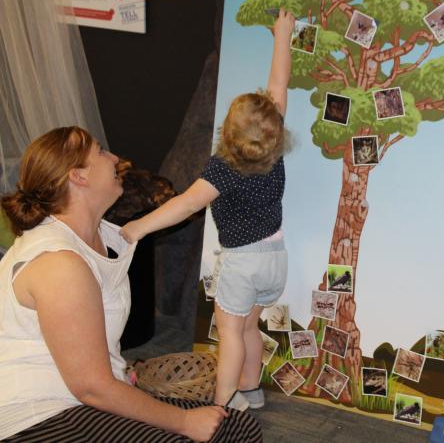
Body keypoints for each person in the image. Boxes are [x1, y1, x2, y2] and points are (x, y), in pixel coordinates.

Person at [0, 126, 262, 442]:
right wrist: (182, 420)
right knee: (189, 434)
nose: (114, 158)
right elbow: (91, 387)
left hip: (83, 399)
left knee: (236, 427)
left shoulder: (102, 236)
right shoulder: (59, 264)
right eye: (99, 151)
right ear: (78, 177)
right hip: (37, 415)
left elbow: (188, 205)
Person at [121, 8, 295, 411]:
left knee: (230, 331)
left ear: (227, 133)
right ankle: (250, 389)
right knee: (250, 326)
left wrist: (136, 228)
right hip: (275, 259)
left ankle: (223, 402)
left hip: (242, 263)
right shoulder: (273, 149)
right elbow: (279, 84)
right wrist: (282, 36)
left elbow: (183, 206)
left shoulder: (223, 168)